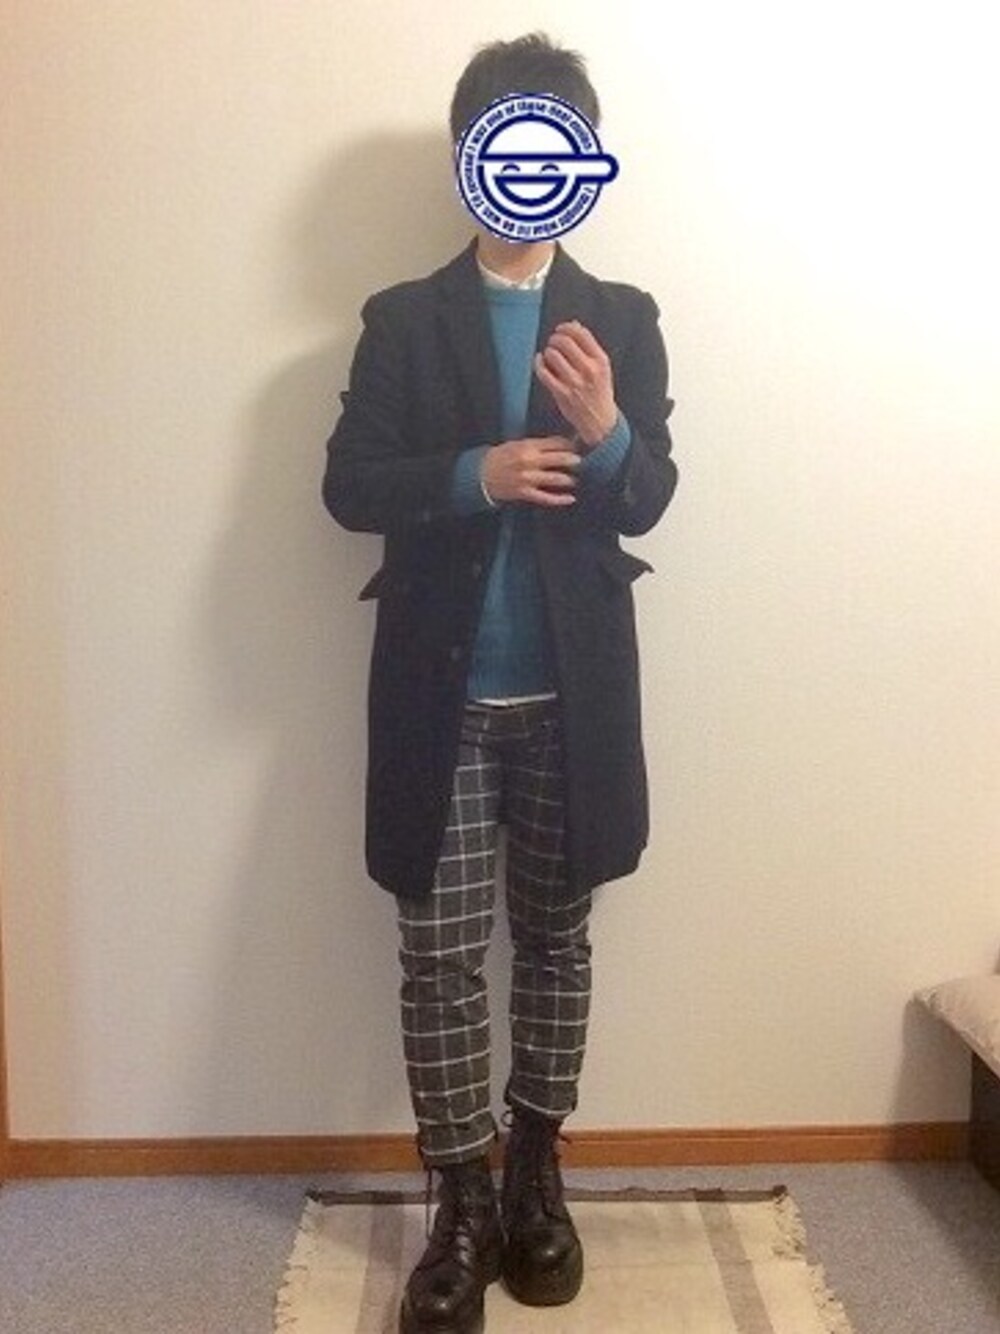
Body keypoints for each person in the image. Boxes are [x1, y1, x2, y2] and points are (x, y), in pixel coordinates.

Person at [323, 32, 677, 1334]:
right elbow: (348, 485)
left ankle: (536, 1177)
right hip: (444, 697)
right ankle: (461, 1200)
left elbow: (650, 495)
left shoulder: (622, 318)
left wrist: (607, 432)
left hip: (575, 701)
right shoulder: (403, 319)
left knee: (558, 942)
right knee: (437, 958)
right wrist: (476, 473)